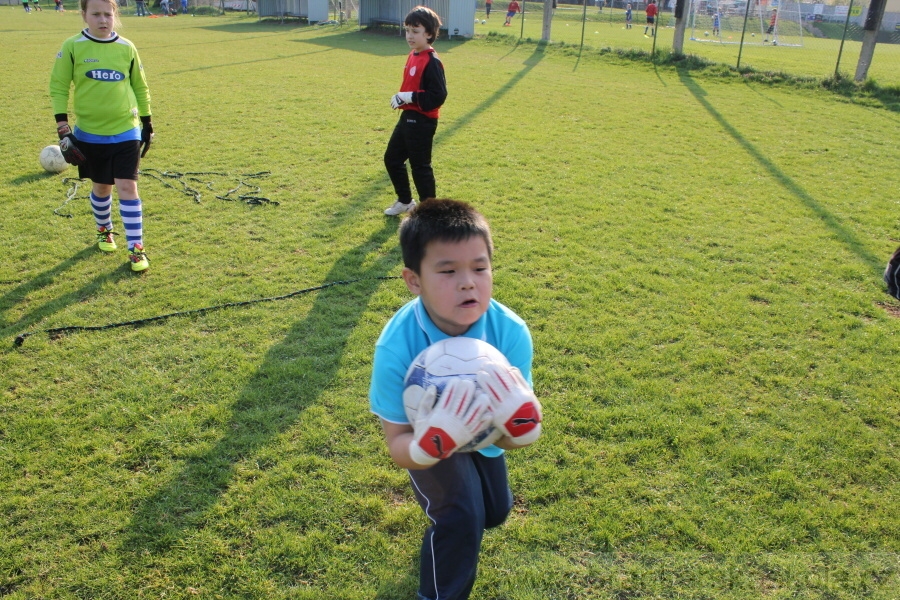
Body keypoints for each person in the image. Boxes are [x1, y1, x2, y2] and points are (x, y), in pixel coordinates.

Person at [370, 199, 543, 600]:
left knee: (493, 512)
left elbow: (511, 429)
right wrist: (434, 443)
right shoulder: (396, 347)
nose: (468, 282)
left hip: (480, 437)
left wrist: (519, 430)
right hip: (427, 437)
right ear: (414, 281)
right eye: (448, 271)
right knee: (461, 518)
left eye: (480, 268)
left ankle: (471, 510)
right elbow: (398, 442)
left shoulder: (510, 332)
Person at [49, 0, 154, 272]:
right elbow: (59, 86)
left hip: (126, 130)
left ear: (115, 16)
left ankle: (136, 248)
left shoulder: (126, 48)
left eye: (108, 14)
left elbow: (140, 87)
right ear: (84, 15)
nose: (103, 19)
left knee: (128, 187)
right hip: (89, 133)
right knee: (101, 187)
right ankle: (104, 230)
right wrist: (63, 126)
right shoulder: (73, 47)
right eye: (95, 14)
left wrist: (147, 123)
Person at [383, 6, 447, 217]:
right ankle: (405, 201)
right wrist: (402, 97)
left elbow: (438, 96)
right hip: (408, 116)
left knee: (420, 166)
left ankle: (431, 213)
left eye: (415, 31)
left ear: (429, 34)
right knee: (392, 159)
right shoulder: (414, 54)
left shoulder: (432, 60)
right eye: (407, 30)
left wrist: (410, 96)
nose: (410, 36)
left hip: (422, 120)